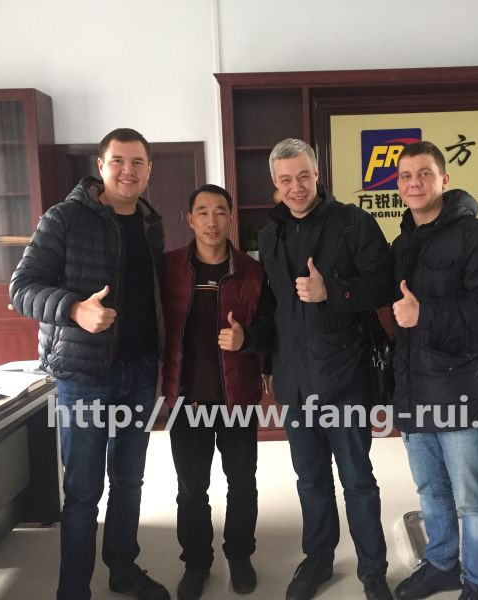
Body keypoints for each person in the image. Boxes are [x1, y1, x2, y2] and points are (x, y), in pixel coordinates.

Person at [10, 128, 169, 600]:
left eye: (137, 162)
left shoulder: (150, 223)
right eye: (118, 161)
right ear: (100, 166)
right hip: (83, 376)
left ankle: (123, 570)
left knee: (130, 481)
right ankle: (74, 589)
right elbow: (21, 289)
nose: (128, 171)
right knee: (83, 491)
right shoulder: (64, 218)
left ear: (149, 170)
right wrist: (74, 309)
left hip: (141, 371)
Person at [258, 138, 394, 600]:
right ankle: (317, 559)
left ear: (317, 174)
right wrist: (260, 354)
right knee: (310, 479)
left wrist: (331, 291)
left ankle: (373, 570)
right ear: (275, 183)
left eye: (303, 176)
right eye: (285, 180)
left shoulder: (353, 223)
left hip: (344, 376)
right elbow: (273, 305)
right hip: (294, 380)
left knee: (357, 479)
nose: (296, 187)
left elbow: (382, 284)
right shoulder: (270, 234)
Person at [390, 141, 478, 600]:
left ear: (444, 179)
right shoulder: (402, 243)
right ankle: (442, 563)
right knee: (430, 489)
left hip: (463, 391)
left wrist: (425, 314)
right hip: (415, 390)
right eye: (406, 176)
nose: (415, 183)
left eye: (424, 173)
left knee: (472, 497)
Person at [161, 184, 273, 600]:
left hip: (236, 396)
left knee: (242, 482)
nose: (212, 221)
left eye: (220, 211)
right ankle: (196, 563)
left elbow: (270, 328)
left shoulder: (252, 272)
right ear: (190, 219)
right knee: (191, 487)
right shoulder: (168, 268)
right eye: (203, 212)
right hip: (185, 397)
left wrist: (247, 339)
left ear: (231, 218)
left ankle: (240, 556)